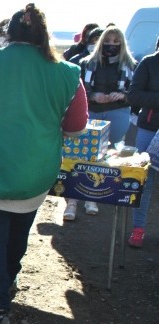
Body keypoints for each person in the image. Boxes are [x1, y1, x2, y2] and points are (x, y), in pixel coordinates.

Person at [0, 3, 88, 324]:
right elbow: (76, 127)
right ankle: (6, 285)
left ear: (8, 34)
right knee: (18, 234)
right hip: (34, 172)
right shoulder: (68, 72)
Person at [64, 25, 136, 221]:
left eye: (116, 42)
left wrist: (122, 95)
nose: (111, 45)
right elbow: (75, 92)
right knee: (81, 156)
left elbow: (136, 94)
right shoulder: (86, 63)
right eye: (108, 41)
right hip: (92, 113)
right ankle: (72, 201)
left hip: (117, 113)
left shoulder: (130, 65)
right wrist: (93, 96)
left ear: (122, 44)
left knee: (104, 159)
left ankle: (92, 197)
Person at [126, 36, 159, 248]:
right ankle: (138, 229)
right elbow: (134, 95)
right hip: (149, 130)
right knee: (144, 183)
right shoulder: (148, 62)